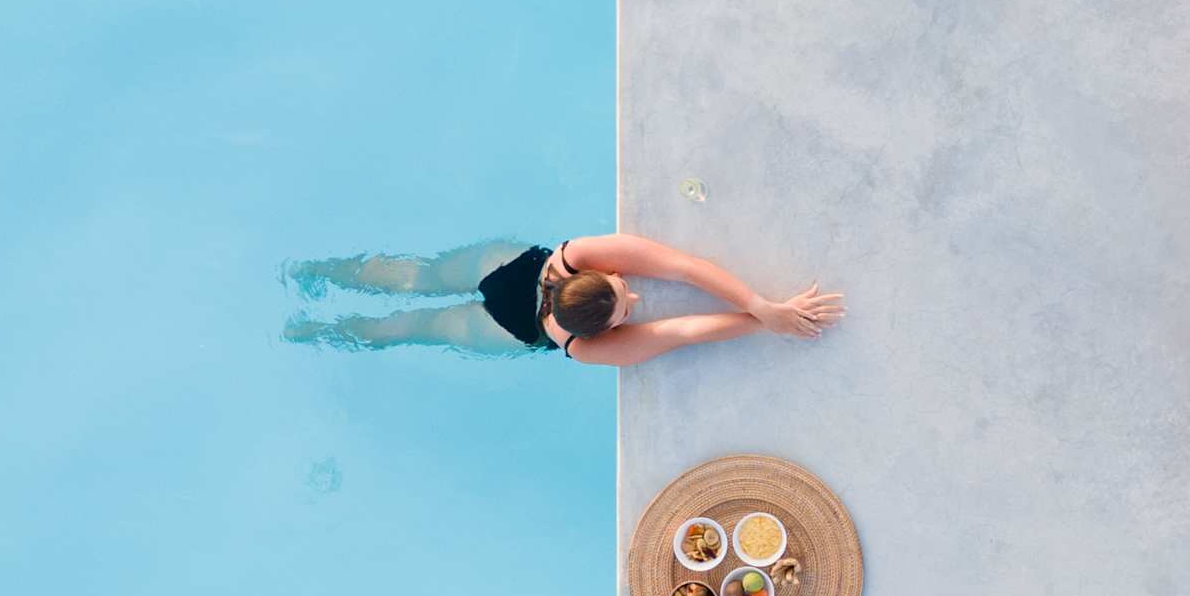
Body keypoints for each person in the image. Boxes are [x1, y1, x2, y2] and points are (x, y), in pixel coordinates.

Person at [283, 234, 844, 365]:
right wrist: (761, 320)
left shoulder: (578, 255)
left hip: (508, 271)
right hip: (510, 323)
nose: (636, 292)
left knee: (418, 284)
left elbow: (683, 269)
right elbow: (680, 332)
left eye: (622, 289)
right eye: (627, 305)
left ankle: (318, 282)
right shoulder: (581, 346)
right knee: (414, 323)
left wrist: (763, 307)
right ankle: (317, 322)